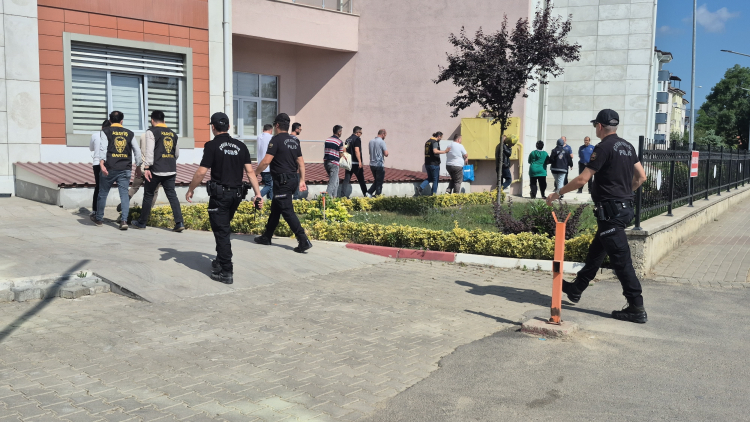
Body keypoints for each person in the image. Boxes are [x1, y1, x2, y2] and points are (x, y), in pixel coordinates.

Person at [546, 109, 648, 323]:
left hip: (611, 213)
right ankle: (576, 289)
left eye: (595, 126)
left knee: (622, 261)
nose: (595, 129)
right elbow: (641, 177)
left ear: (600, 126)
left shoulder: (602, 148)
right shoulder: (628, 146)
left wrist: (558, 193)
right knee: (596, 252)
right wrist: (625, 193)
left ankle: (636, 307)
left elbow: (582, 179)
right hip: (623, 209)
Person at [185, 112, 264, 284]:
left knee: (221, 232)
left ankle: (226, 271)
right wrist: (258, 194)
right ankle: (220, 260)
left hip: (220, 196)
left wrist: (191, 189)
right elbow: (250, 172)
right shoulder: (241, 146)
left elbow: (201, 172)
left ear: (213, 127)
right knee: (224, 228)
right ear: (228, 126)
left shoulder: (211, 146)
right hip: (236, 196)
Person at [253, 113, 313, 253]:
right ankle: (267, 236)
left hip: (282, 181)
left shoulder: (276, 140)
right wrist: (302, 180)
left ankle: (303, 240)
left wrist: (254, 174)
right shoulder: (294, 141)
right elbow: (301, 163)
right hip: (292, 179)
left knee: (287, 210)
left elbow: (266, 161)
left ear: (277, 125)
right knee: (276, 208)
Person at [130, 111, 185, 232]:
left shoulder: (151, 132)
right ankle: (179, 222)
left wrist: (147, 167)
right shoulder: (173, 134)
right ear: (164, 120)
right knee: (172, 196)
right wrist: (168, 161)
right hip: (170, 170)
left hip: (155, 170)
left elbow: (149, 151)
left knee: (148, 195)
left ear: (152, 120)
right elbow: (176, 154)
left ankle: (142, 222)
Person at [92, 111, 142, 230]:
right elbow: (137, 150)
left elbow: (103, 148)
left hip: (109, 167)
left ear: (110, 121)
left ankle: (99, 218)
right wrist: (138, 166)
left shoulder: (105, 131)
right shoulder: (130, 133)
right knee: (124, 194)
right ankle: (124, 220)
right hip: (125, 168)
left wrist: (102, 163)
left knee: (103, 193)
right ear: (122, 121)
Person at [116, 128, 160, 214]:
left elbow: (139, 151)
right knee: (154, 191)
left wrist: (138, 166)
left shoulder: (143, 136)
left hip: (141, 166)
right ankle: (148, 210)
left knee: (134, 187)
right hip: (153, 169)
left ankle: (125, 201)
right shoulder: (158, 136)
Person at [89, 119, 110, 217]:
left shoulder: (95, 135)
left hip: (96, 163)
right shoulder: (111, 136)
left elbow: (91, 148)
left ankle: (95, 210)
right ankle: (100, 210)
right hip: (107, 164)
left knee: (98, 186)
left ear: (102, 127)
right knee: (104, 188)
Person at [342, 126, 368, 197]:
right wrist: (360, 161)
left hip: (349, 163)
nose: (361, 134)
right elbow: (357, 150)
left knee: (346, 180)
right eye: (361, 133)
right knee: (361, 180)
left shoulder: (348, 139)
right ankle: (366, 195)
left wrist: (346, 158)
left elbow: (344, 149)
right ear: (357, 132)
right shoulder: (357, 139)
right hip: (356, 163)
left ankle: (342, 195)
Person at [323, 125, 345, 198]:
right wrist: (344, 154)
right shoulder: (339, 142)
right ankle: (327, 199)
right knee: (332, 183)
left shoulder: (327, 140)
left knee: (336, 181)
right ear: (339, 132)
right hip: (334, 163)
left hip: (326, 162)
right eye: (341, 131)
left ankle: (334, 197)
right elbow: (340, 154)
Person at [366, 129, 389, 197]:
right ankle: (377, 196)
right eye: (385, 135)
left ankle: (369, 193)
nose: (385, 137)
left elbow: (370, 152)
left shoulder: (371, 141)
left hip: (372, 164)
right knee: (379, 182)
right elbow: (386, 154)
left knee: (377, 180)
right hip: (379, 164)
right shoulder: (382, 142)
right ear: (383, 134)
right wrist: (387, 153)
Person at [257, 124, 274, 199]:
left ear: (263, 129)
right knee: (269, 185)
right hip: (268, 166)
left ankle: (270, 201)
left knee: (269, 185)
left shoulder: (259, 137)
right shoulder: (271, 138)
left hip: (260, 166)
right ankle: (257, 196)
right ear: (271, 130)